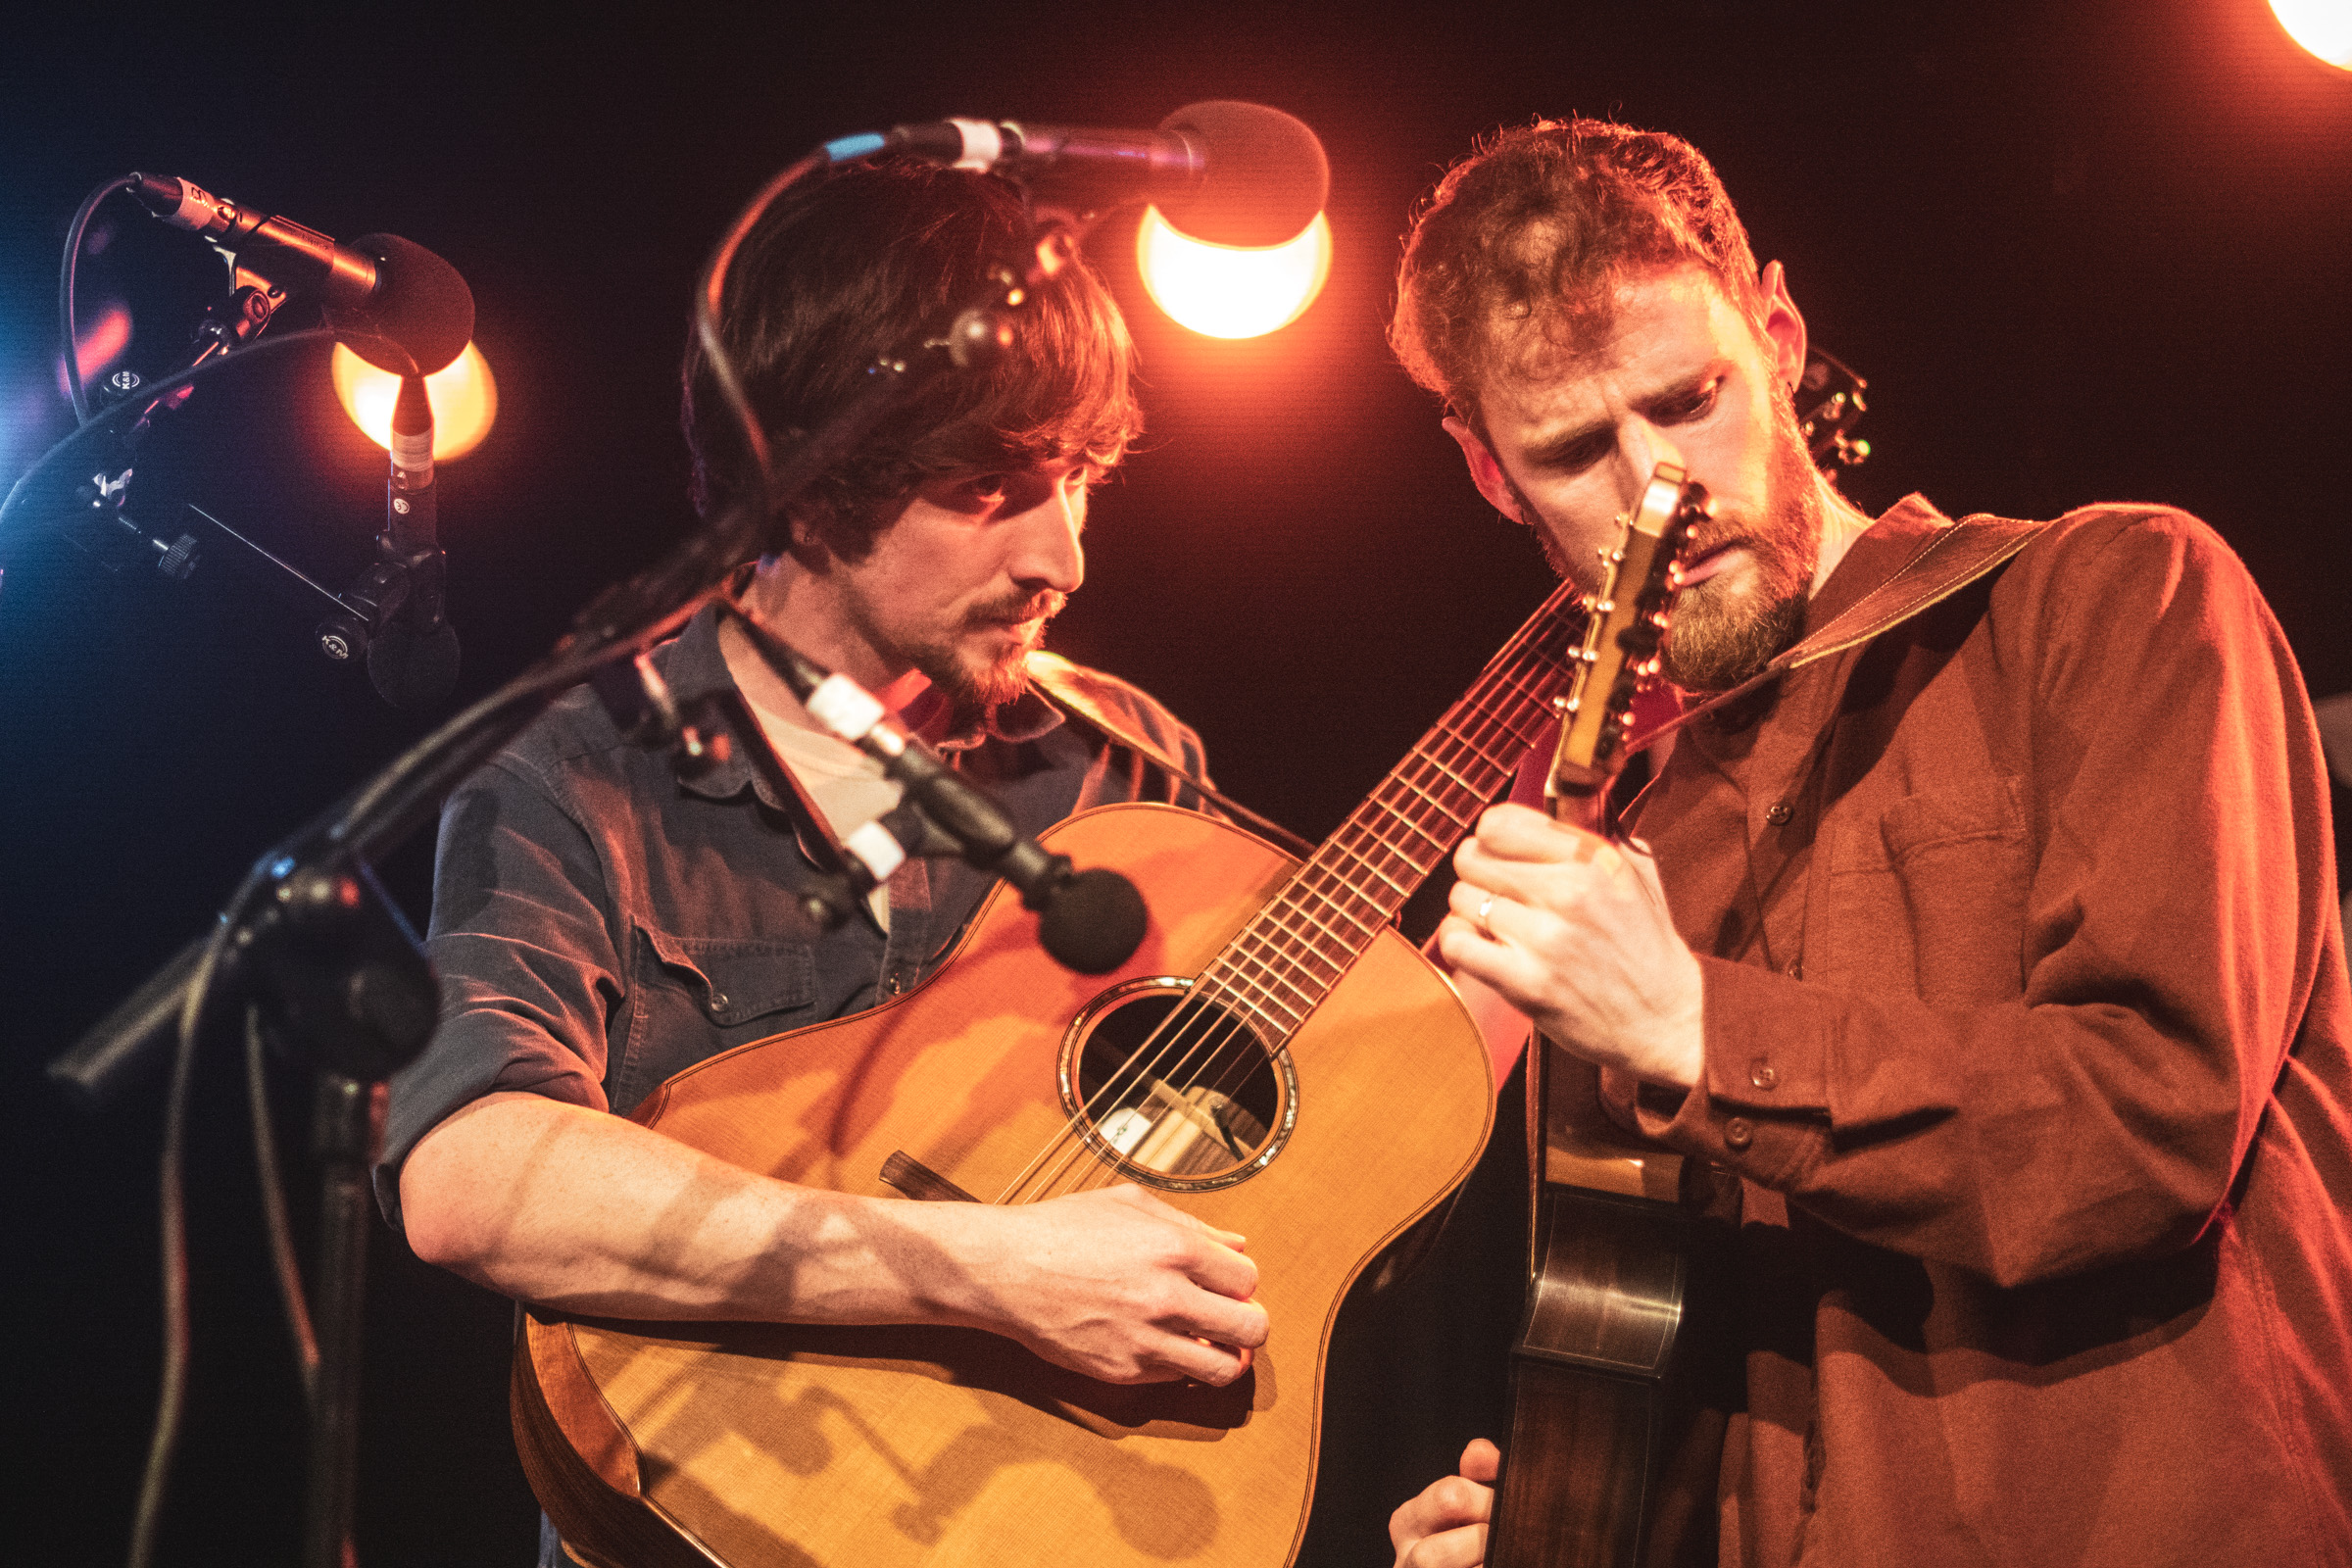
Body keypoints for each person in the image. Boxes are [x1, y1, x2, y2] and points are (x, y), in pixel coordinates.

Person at [1384, 119, 2352, 1566]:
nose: (1661, 488)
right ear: (1485, 473)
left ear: (1776, 334)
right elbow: (1694, 1354)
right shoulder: (1623, 847)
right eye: (1576, 449)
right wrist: (1558, 1528)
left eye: (1687, 397)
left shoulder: (2119, 596)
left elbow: (2153, 1123)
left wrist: (1691, 1022)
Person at [375, 163, 1268, 1450]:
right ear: (799, 479)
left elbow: (1304, 1130)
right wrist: (987, 1269)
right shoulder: (568, 772)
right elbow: (467, 1174)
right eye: (986, 486)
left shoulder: (1128, 760)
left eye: (1076, 473)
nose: (1061, 556)